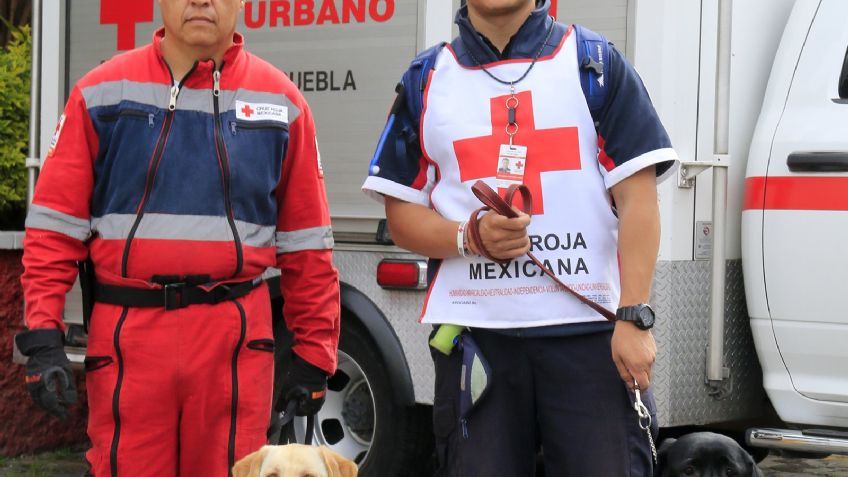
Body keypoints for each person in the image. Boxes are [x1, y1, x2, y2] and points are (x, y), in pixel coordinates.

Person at [15, 0, 340, 475]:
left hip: (234, 343)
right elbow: (53, 229)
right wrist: (43, 336)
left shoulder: (282, 102)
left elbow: (308, 244)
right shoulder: (101, 92)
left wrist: (315, 353)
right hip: (130, 341)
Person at [362, 0, 677, 475]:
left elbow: (639, 200)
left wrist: (634, 315)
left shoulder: (595, 63)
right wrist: (469, 237)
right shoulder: (426, 78)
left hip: (590, 337)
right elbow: (401, 212)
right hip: (477, 339)